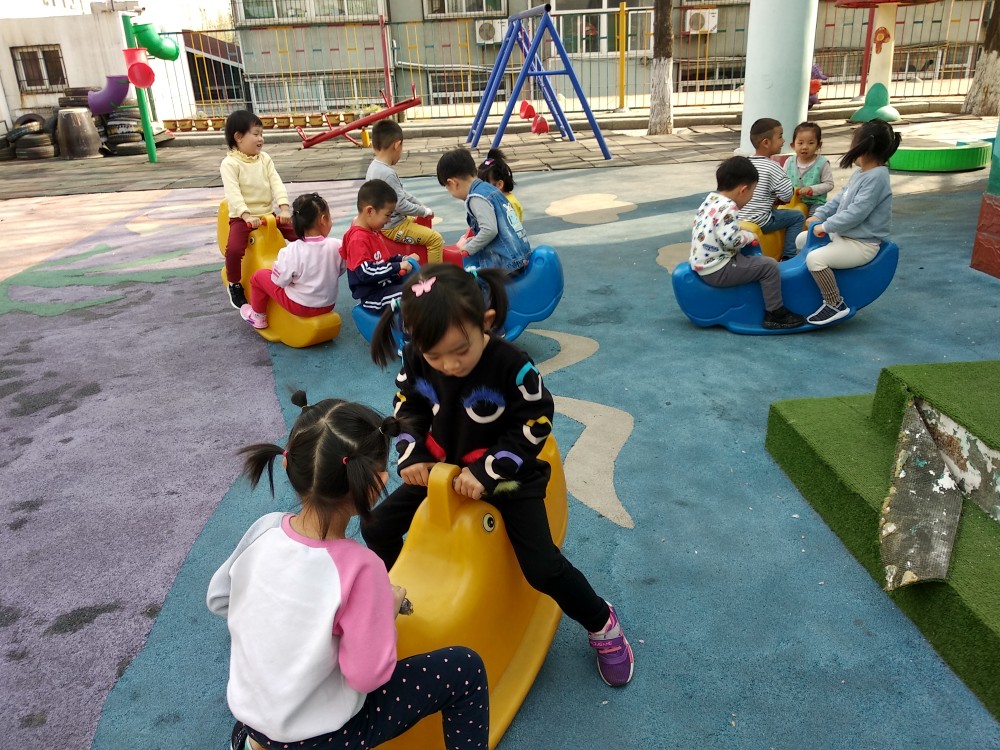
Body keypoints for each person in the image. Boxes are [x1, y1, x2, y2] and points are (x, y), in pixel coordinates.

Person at [366, 264, 634, 687]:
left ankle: (603, 623)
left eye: (460, 350)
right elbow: (407, 405)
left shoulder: (512, 365)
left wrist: (488, 471)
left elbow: (536, 420)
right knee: (376, 526)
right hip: (444, 472)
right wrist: (412, 452)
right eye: (435, 356)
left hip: (510, 479)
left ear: (485, 322)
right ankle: (399, 595)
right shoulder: (417, 355)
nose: (448, 365)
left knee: (543, 568)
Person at [208, 391, 489, 750]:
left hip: (254, 720)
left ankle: (251, 742)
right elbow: (367, 675)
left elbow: (220, 599)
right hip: (324, 738)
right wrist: (386, 611)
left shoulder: (264, 528)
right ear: (377, 483)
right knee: (465, 669)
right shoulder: (360, 568)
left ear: (289, 465)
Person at [796, 119, 900, 326]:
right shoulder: (861, 173)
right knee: (801, 239)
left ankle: (835, 303)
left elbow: (857, 213)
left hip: (861, 243)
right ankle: (813, 284)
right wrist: (820, 215)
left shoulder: (877, 178)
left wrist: (826, 226)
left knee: (816, 259)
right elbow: (839, 200)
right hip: (845, 236)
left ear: (864, 148)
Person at [691, 156, 806, 330]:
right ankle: (775, 313)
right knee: (769, 266)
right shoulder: (729, 207)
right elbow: (732, 240)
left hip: (705, 262)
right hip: (718, 269)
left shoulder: (711, 200)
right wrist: (748, 236)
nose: (751, 196)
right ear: (743, 190)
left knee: (753, 261)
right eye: (752, 192)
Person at [220, 109, 298, 310]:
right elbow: (233, 193)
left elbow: (276, 182)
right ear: (238, 137)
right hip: (242, 217)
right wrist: (246, 215)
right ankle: (234, 284)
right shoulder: (230, 163)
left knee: (299, 233)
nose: (261, 138)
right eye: (255, 134)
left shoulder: (264, 159)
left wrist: (284, 208)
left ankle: (306, 264)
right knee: (234, 249)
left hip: (268, 214)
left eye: (261, 134)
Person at [239, 192, 345, 330]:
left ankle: (257, 316)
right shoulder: (337, 245)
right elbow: (341, 270)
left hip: (300, 306)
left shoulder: (291, 251)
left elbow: (279, 281)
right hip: (328, 305)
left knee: (259, 276)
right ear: (324, 219)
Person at [437, 148, 532, 273]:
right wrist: (472, 241)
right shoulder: (488, 188)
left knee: (473, 281)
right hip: (519, 255)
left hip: (506, 264)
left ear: (452, 183)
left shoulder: (476, 198)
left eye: (447, 187)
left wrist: (468, 248)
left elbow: (489, 230)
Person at [366, 119, 444, 264]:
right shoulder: (388, 173)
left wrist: (419, 205)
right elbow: (400, 205)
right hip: (394, 226)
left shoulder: (374, 167)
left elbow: (400, 193)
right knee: (435, 239)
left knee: (417, 221)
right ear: (397, 145)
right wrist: (423, 211)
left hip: (387, 221)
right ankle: (435, 275)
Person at [341, 179, 420, 312]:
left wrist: (403, 259)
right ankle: (405, 325)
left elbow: (385, 260)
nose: (389, 220)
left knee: (424, 287)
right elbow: (365, 272)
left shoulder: (372, 232)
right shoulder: (358, 239)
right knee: (415, 294)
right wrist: (398, 266)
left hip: (387, 288)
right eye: (387, 215)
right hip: (374, 297)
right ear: (370, 211)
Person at [739, 118, 805, 260]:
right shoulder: (772, 166)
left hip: (740, 217)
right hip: (760, 219)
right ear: (766, 142)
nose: (783, 141)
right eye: (780, 136)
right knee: (797, 217)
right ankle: (789, 255)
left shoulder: (745, 163)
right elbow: (787, 195)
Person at [785, 122, 834, 217]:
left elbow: (829, 184)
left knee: (815, 216)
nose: (804, 147)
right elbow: (782, 180)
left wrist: (811, 189)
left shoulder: (822, 163)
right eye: (800, 143)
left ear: (818, 145)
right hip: (792, 202)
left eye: (811, 143)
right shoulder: (789, 162)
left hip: (815, 203)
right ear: (793, 145)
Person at [478, 148, 522, 222]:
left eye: (484, 185)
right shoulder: (494, 200)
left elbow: (512, 227)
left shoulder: (508, 204)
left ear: (499, 184)